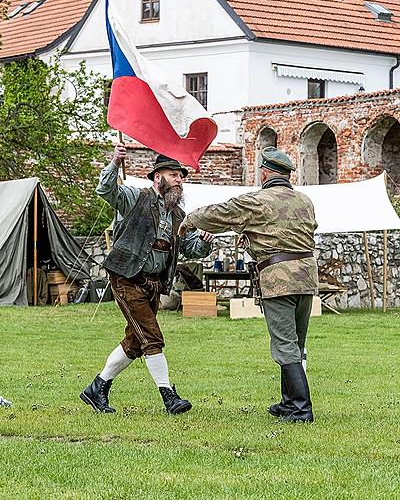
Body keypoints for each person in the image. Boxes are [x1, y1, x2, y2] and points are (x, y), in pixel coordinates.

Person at [179, 146, 318, 423]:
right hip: (306, 277)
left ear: (265, 172)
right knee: (296, 343)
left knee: (284, 344)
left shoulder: (258, 201)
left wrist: (190, 218)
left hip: (279, 280)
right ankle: (288, 402)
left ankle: (302, 409)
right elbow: (298, 234)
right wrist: (256, 240)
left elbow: (222, 213)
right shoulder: (304, 201)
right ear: (287, 175)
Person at [80, 144, 213, 415]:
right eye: (173, 174)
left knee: (135, 341)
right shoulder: (135, 197)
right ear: (157, 177)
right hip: (126, 276)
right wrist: (115, 163)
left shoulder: (178, 215)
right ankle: (169, 397)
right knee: (152, 337)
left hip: (153, 283)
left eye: (181, 176)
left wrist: (204, 242)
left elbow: (190, 249)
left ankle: (97, 388)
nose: (179, 179)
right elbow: (106, 190)